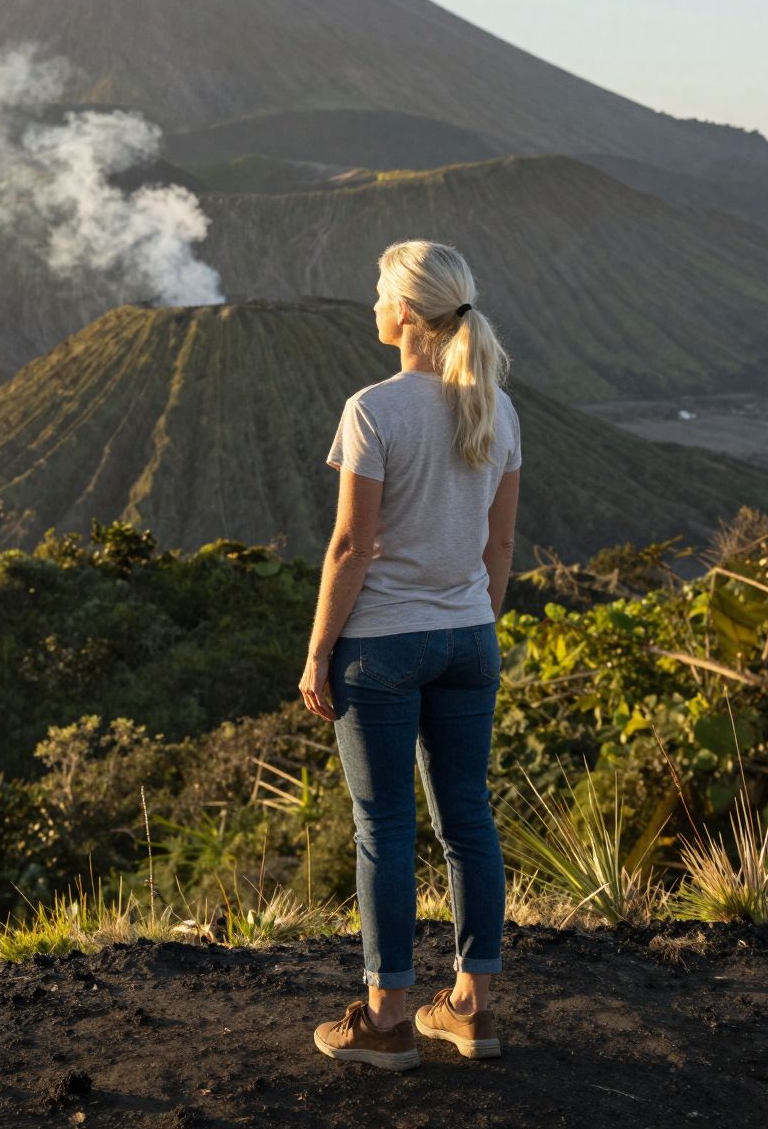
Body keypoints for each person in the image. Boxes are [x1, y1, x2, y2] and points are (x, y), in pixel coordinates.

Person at [302, 238, 521, 1070]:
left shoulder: (374, 409)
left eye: (379, 291)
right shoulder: (497, 406)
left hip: (381, 647)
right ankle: (469, 1009)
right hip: (470, 638)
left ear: (406, 312)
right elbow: (499, 545)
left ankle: (388, 1017)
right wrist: (470, 622)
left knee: (385, 826)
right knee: (467, 817)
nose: (371, 304)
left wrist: (320, 652)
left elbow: (352, 546)